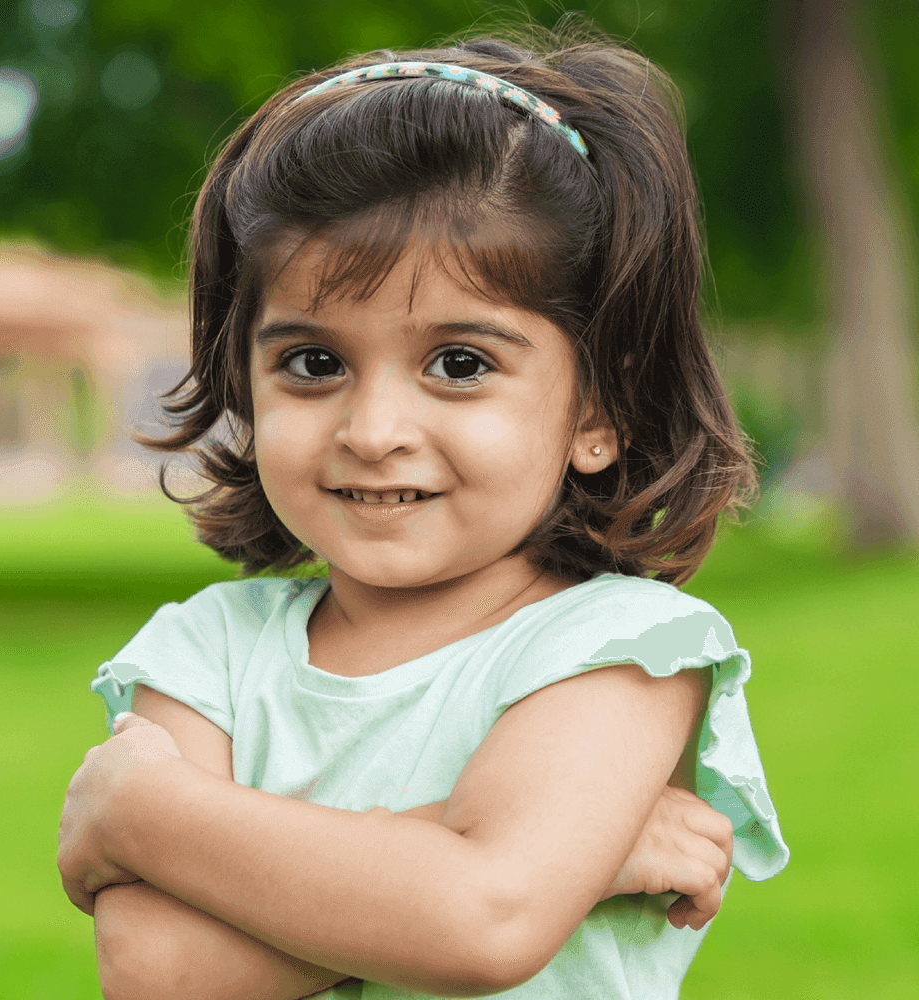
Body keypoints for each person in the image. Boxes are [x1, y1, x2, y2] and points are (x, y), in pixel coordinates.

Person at [58, 30, 789, 999]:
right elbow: (156, 970)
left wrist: (140, 812)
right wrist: (563, 859)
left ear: (600, 412)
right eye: (313, 363)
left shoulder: (621, 644)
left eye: (459, 364)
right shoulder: (208, 656)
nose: (372, 429)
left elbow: (484, 919)